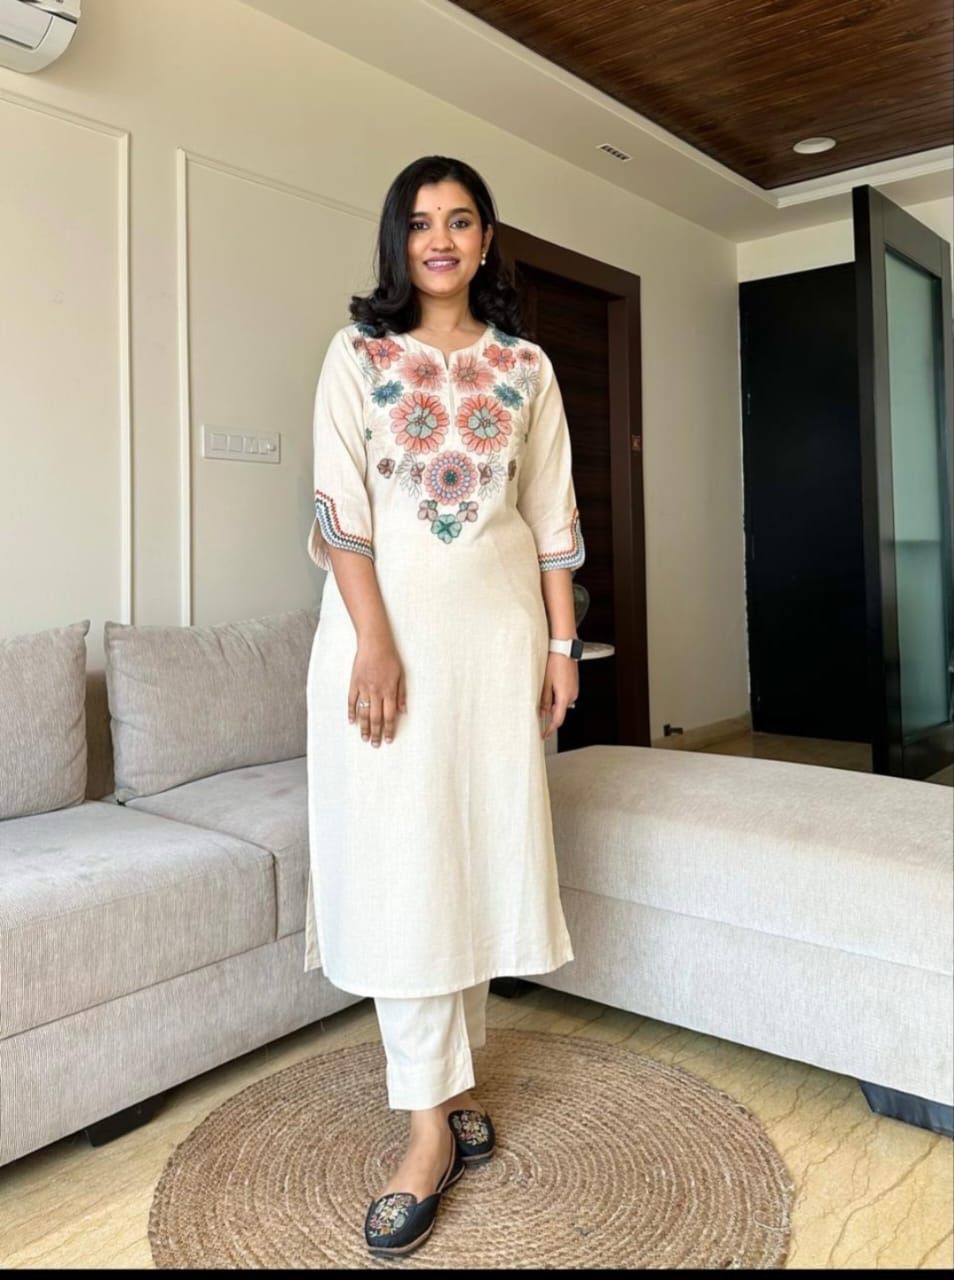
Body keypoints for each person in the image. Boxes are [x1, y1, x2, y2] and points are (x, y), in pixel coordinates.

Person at [303, 155, 586, 1259]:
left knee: (469, 851)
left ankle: (452, 1082)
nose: (440, 237)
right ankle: (426, 1127)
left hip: (497, 644)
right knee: (404, 861)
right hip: (387, 651)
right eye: (420, 221)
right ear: (397, 240)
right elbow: (339, 511)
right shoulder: (358, 355)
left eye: (460, 220)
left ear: (484, 240)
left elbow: (552, 513)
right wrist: (374, 638)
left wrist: (562, 644)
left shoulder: (526, 364)